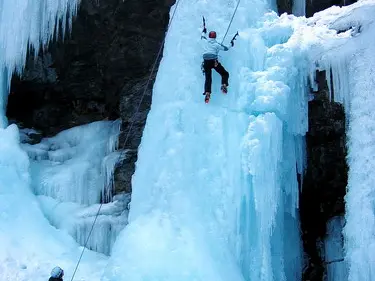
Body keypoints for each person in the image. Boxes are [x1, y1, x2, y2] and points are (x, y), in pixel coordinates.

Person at [201, 27, 234, 103]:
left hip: (206, 62)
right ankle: (224, 85)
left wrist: (204, 30)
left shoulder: (205, 41)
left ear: (209, 36)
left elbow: (202, 36)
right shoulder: (217, 44)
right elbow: (226, 49)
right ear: (215, 36)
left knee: (208, 78)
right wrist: (231, 44)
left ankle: (207, 93)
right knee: (224, 73)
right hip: (214, 62)